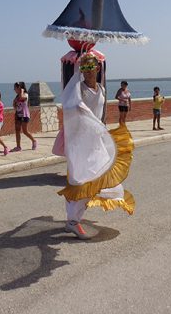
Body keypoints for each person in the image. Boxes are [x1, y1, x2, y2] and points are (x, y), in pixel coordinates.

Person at [54, 52, 135, 240]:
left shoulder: (102, 90)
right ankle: (73, 221)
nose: (88, 72)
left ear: (98, 69)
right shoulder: (78, 90)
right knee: (83, 179)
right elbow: (70, 107)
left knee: (101, 176)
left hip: (96, 142)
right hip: (81, 144)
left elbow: (98, 116)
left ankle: (72, 218)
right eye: (84, 68)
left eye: (91, 68)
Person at [10, 81, 37, 152]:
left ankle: (34, 140)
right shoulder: (17, 96)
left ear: (19, 88)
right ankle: (18, 146)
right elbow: (14, 105)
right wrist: (14, 104)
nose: (14, 90)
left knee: (25, 131)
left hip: (25, 115)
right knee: (17, 131)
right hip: (18, 115)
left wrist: (21, 91)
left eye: (15, 88)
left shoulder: (25, 94)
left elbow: (22, 97)